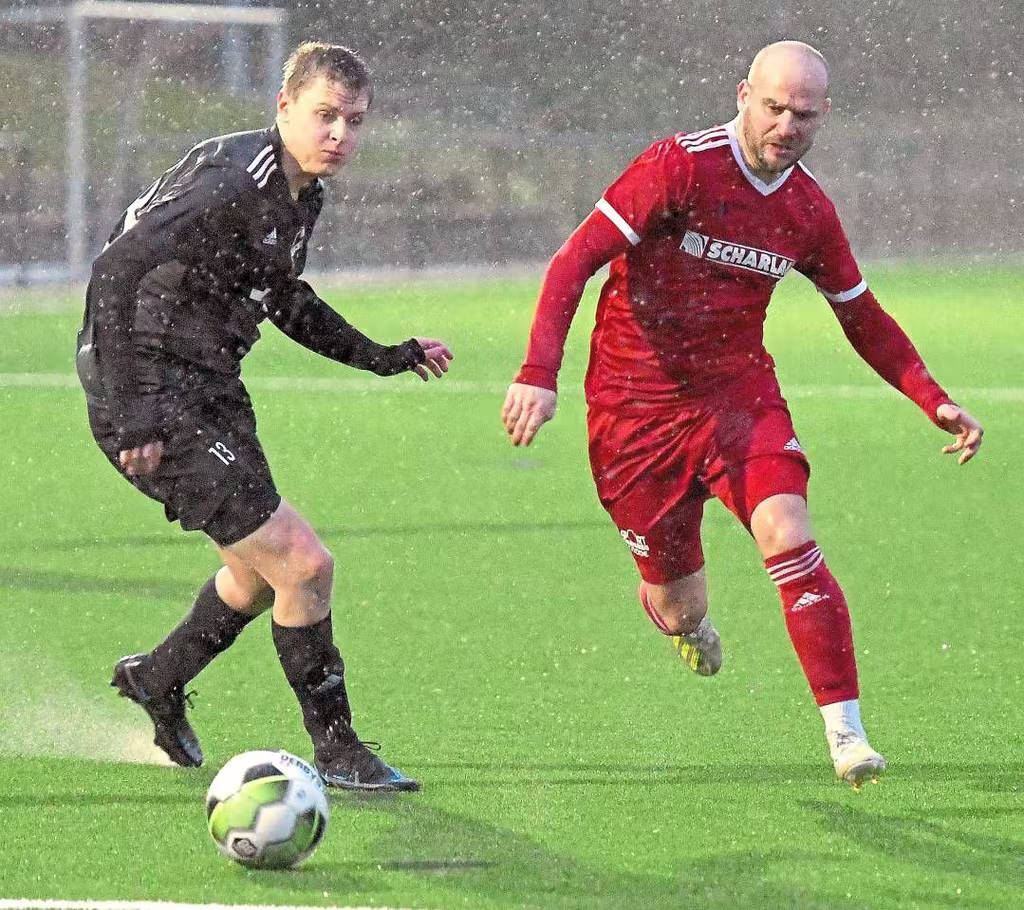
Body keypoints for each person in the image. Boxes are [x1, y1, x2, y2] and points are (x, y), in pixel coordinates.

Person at [501, 40, 983, 787]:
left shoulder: (808, 210)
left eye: (805, 114)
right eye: (775, 107)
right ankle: (684, 623)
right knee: (676, 600)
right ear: (743, 96)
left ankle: (846, 734)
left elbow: (862, 316)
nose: (788, 125)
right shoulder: (678, 166)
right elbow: (574, 260)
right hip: (632, 413)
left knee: (790, 534)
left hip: (738, 398)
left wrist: (933, 397)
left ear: (824, 118)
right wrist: (539, 372)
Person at [76, 41, 453, 792]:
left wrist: (384, 355)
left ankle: (156, 679)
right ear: (283, 108)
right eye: (324, 116)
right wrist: (137, 415)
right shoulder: (229, 183)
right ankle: (339, 750)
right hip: (154, 388)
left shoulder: (299, 188)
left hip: (209, 384)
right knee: (304, 565)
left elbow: (283, 298)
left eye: (354, 120)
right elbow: (113, 269)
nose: (340, 134)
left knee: (255, 577)